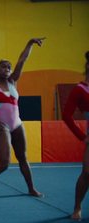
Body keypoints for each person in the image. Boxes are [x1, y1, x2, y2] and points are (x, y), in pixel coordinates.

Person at [0, 38, 47, 201]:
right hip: (2, 126)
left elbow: (22, 60)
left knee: (23, 157)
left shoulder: (13, 81)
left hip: (17, 124)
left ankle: (31, 189)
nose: (7, 69)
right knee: (4, 162)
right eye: (3, 66)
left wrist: (30, 43)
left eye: (9, 67)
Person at [62, 51, 89, 220]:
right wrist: (82, 136)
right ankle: (77, 207)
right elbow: (66, 115)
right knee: (87, 173)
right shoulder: (80, 89)